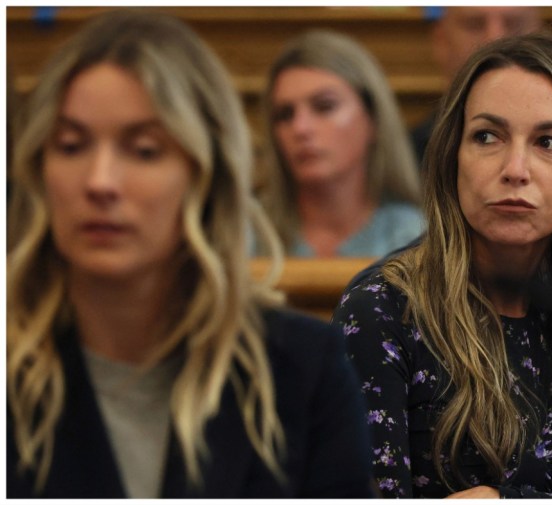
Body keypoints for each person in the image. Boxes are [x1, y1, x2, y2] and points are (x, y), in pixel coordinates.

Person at [6, 10, 373, 498]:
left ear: (206, 173)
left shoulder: (304, 370)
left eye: (144, 150)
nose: (99, 182)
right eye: (71, 145)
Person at [333, 32, 552, 499]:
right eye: (487, 136)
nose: (515, 168)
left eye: (549, 142)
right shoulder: (382, 310)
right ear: (453, 156)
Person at [257, 29, 423, 258]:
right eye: (285, 114)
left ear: (373, 117)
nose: (300, 128)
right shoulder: (246, 232)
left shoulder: (414, 236)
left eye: (324, 106)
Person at [410, 6, 543, 163]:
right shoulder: (404, 160)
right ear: (441, 40)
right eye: (475, 24)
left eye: (513, 24)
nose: (495, 39)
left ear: (540, 37)